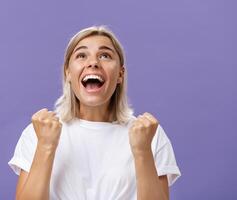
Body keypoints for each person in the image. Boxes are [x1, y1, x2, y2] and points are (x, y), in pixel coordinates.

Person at [8, 25, 181, 200]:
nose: (93, 63)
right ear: (68, 72)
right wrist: (45, 146)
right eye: (81, 55)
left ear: (120, 74)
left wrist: (143, 151)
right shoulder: (38, 133)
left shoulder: (150, 134)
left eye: (105, 55)